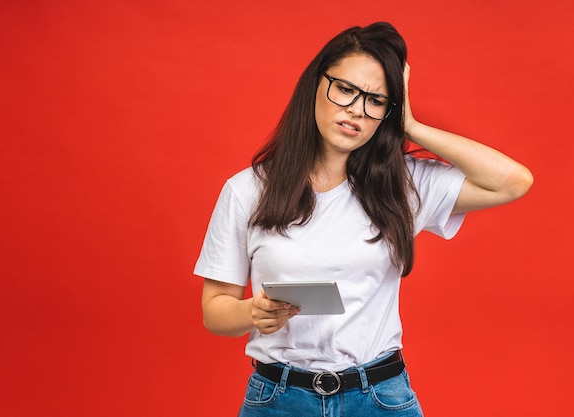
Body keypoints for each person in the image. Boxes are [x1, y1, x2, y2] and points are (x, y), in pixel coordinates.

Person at [194, 22, 533, 417]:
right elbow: (215, 310)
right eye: (346, 89)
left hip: (379, 397)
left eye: (376, 100)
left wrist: (412, 126)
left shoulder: (402, 184)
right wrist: (252, 311)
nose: (356, 109)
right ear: (316, 85)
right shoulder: (247, 190)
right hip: (279, 399)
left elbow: (513, 182)